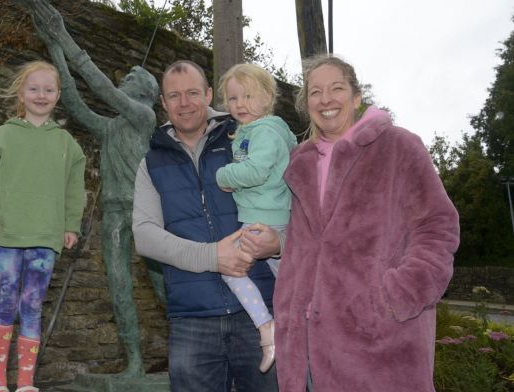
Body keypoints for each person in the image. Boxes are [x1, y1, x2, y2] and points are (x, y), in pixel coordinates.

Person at [273, 54, 460, 391]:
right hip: (310, 350)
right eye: (315, 92)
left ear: (357, 96)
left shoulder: (398, 146)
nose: (326, 99)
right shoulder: (299, 163)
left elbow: (437, 227)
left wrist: (395, 296)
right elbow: (301, 253)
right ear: (306, 103)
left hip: (382, 344)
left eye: (337, 88)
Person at [24, 1, 163, 377]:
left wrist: (65, 35)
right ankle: (133, 362)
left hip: (149, 212)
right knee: (118, 285)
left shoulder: (143, 116)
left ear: (146, 92)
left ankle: (189, 354)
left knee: (165, 287)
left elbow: (101, 89)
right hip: (116, 212)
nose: (124, 79)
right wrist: (54, 45)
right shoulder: (111, 128)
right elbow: (74, 100)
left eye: (132, 77)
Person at [132, 60, 279, 391]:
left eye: (193, 93)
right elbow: (144, 235)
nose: (184, 103)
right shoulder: (150, 163)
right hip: (192, 319)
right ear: (163, 103)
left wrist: (279, 243)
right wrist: (211, 256)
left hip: (260, 315)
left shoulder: (246, 138)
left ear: (210, 94)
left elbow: (289, 202)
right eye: (174, 95)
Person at [0, 61, 86, 392]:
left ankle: (27, 384)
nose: (41, 95)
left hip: (45, 238)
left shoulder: (67, 144)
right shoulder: (4, 134)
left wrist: (71, 225)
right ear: (21, 92)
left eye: (49, 89)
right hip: (4, 235)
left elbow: (75, 191)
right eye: (34, 88)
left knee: (32, 307)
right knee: (4, 303)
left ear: (58, 95)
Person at [214, 63, 297, 373]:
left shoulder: (263, 132)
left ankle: (266, 328)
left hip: (262, 219)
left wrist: (223, 175)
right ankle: (302, 329)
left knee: (231, 268)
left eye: (249, 96)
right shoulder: (266, 130)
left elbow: (256, 171)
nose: (240, 105)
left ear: (268, 96)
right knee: (289, 280)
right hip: (272, 216)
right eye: (233, 99)